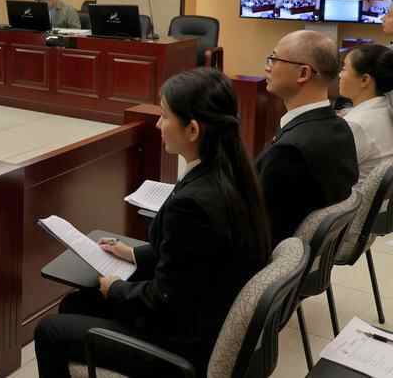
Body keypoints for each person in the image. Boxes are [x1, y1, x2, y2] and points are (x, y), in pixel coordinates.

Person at [34, 68, 271, 378]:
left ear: (192, 130)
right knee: (77, 303)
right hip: (207, 314)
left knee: (50, 331)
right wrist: (133, 254)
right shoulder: (232, 173)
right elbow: (192, 256)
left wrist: (116, 288)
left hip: (182, 346)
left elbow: (164, 300)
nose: (158, 124)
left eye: (165, 116)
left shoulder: (193, 203)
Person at [257, 30, 358, 245]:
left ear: (303, 73)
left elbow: (262, 232)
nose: (267, 67)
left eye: (274, 59)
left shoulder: (289, 151)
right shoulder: (340, 127)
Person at [338, 44, 393, 191]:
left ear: (364, 80)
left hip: (349, 201)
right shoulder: (385, 109)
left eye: (344, 69)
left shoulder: (355, 125)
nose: (340, 75)